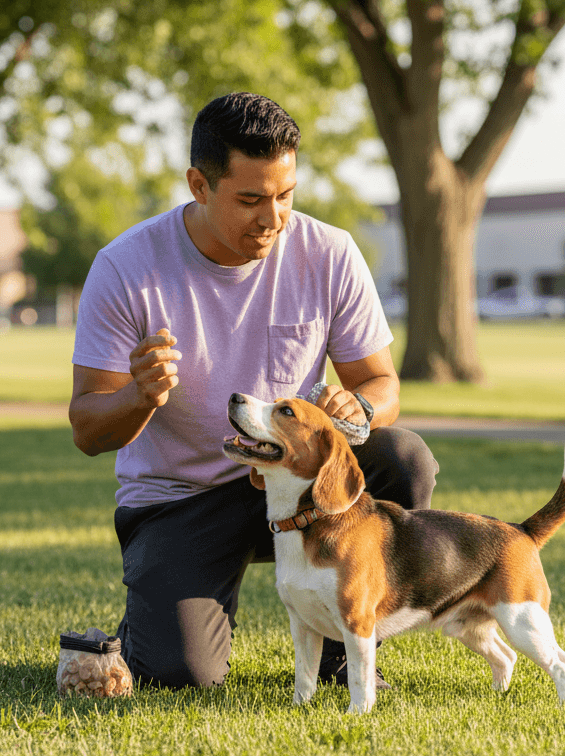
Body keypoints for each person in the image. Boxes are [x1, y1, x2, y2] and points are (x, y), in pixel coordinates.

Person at [69, 92, 438, 689]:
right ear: (199, 185)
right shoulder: (126, 267)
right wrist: (138, 395)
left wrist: (362, 405)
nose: (273, 219)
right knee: (179, 674)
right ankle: (151, 620)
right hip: (181, 500)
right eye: (250, 199)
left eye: (285, 195)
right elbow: (87, 429)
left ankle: (342, 647)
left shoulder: (330, 253)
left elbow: (381, 382)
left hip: (298, 485)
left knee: (403, 458)